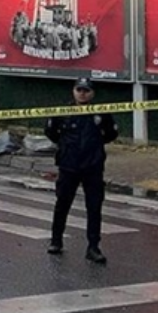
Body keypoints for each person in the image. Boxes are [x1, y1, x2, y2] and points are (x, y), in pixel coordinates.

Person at [45, 77, 118, 264]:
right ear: (73, 91)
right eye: (79, 90)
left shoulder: (101, 114)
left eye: (86, 90)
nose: (82, 93)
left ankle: (93, 247)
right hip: (69, 166)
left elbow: (110, 134)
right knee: (62, 204)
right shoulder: (62, 112)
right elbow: (51, 132)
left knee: (94, 207)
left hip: (92, 167)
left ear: (92, 93)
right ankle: (56, 241)